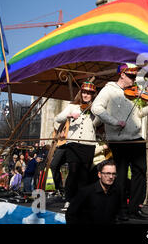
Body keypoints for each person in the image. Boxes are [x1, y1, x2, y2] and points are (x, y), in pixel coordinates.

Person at [91, 63, 148, 221]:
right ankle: (121, 209)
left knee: (141, 173)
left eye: (135, 76)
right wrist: (114, 121)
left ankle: (135, 207)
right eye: (131, 76)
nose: (134, 79)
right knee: (121, 175)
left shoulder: (131, 93)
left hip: (136, 138)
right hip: (119, 141)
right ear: (122, 75)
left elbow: (139, 114)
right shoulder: (109, 90)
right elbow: (96, 108)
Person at [54, 81, 100, 211]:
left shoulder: (95, 109)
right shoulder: (72, 106)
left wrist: (96, 113)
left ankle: (81, 201)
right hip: (73, 144)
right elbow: (58, 118)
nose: (86, 95)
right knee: (73, 171)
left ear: (92, 95)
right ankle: (69, 199)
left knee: (84, 174)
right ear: (81, 93)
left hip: (88, 144)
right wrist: (68, 115)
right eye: (84, 92)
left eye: (89, 93)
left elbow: (98, 123)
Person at [66, 159, 120, 224]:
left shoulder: (116, 192)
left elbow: (114, 216)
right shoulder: (86, 192)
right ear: (99, 174)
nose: (111, 177)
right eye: (108, 173)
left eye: (113, 174)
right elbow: (70, 214)